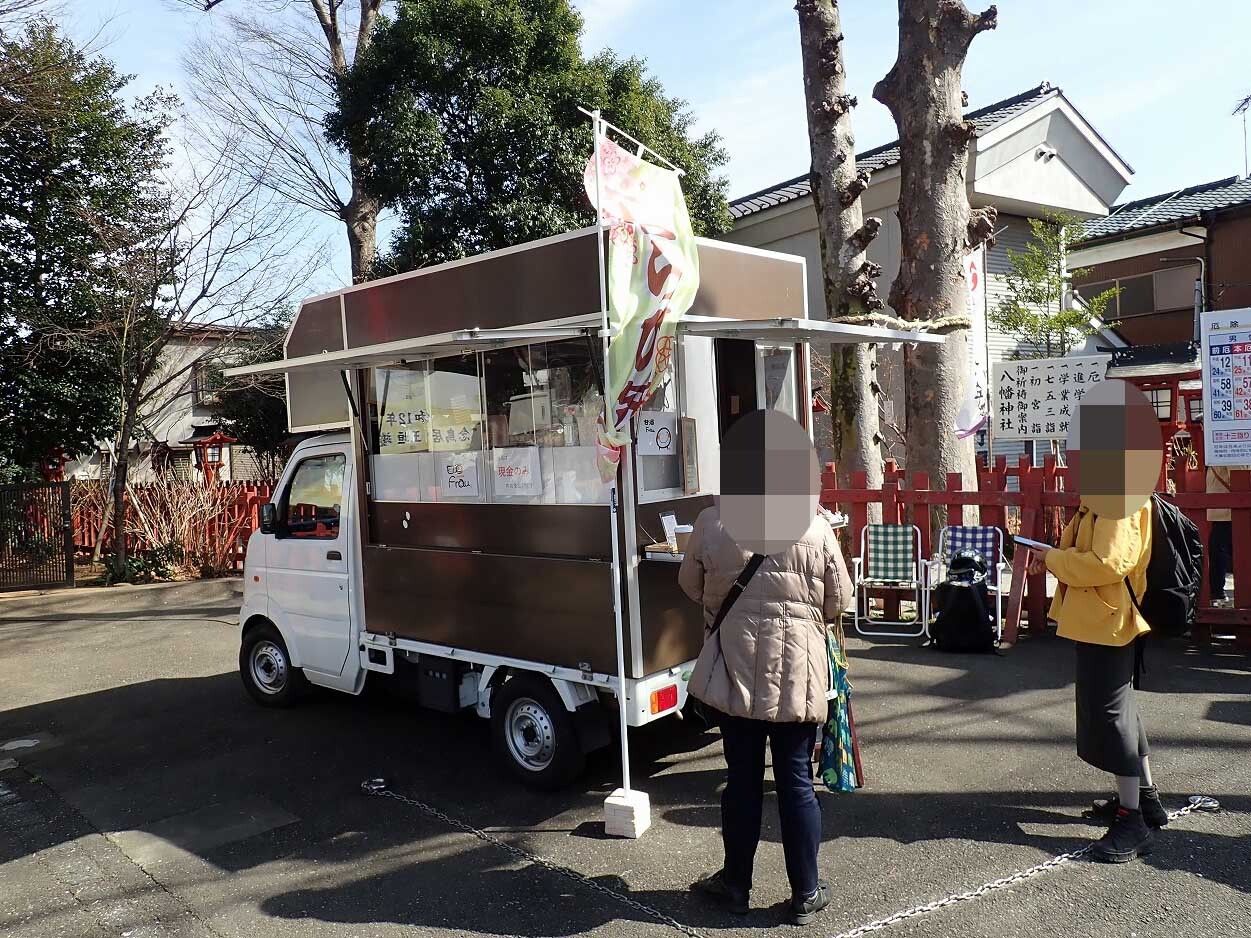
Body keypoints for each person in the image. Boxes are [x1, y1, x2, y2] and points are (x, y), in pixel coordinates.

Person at [679, 503, 852, 924]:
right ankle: (805, 893)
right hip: (798, 674)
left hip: (736, 668)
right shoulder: (815, 525)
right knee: (796, 782)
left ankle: (736, 885)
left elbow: (691, 585)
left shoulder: (712, 521)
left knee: (742, 779)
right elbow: (839, 601)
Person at [1027, 496, 1165, 861]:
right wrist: (1051, 556)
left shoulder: (1117, 497)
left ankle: (1131, 819)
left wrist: (1054, 558)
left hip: (1107, 621)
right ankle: (1144, 800)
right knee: (1123, 710)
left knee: (1110, 715)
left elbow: (1109, 562)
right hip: (1104, 618)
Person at [1206, 464, 1234, 604]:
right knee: (1220, 553)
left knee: (1218, 553)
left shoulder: (1216, 455)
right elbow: (1240, 475)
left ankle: (1217, 592)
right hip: (1227, 510)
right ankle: (1217, 592)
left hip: (1223, 510)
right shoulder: (1235, 452)